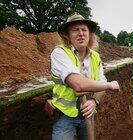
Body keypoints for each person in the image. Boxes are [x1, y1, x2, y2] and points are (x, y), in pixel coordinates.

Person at [50, 12, 120, 140]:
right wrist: (109, 85)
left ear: (89, 34)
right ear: (68, 35)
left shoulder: (95, 56)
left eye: (84, 30)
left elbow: (100, 82)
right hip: (65, 116)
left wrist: (95, 101)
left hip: (88, 113)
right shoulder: (59, 53)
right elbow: (78, 84)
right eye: (75, 30)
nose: (81, 33)